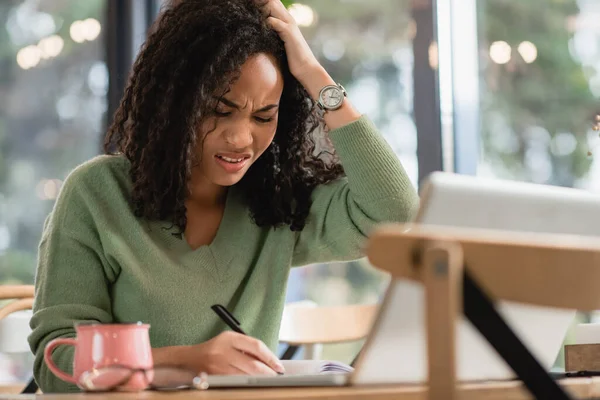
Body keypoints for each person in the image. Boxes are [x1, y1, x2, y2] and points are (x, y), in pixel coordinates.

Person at [28, 0, 419, 393]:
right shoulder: (98, 194)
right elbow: (57, 362)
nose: (240, 138)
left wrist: (314, 76)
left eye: (264, 116)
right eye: (219, 110)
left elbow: (394, 210)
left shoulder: (277, 204)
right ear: (175, 101)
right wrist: (186, 361)